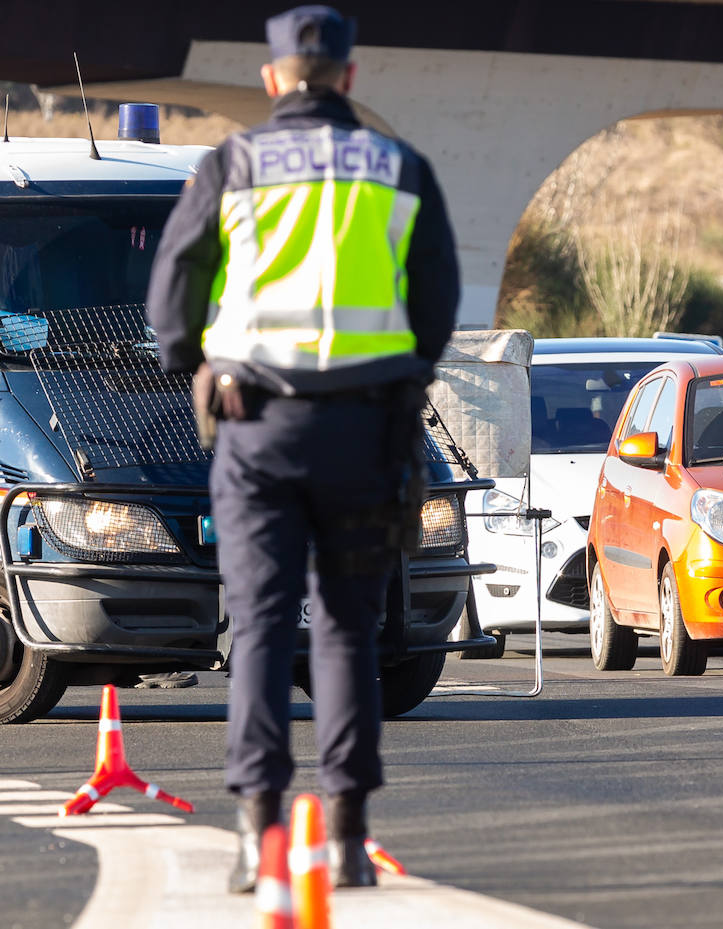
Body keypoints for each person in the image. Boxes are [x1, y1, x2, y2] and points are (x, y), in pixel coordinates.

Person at [145, 5, 459, 892]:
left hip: (257, 426)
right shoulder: (401, 167)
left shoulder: (232, 164)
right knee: (349, 629)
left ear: (273, 78)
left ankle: (258, 832)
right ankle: (352, 836)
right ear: (351, 77)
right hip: (366, 430)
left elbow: (171, 306)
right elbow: (436, 307)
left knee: (257, 626)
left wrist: (197, 362)